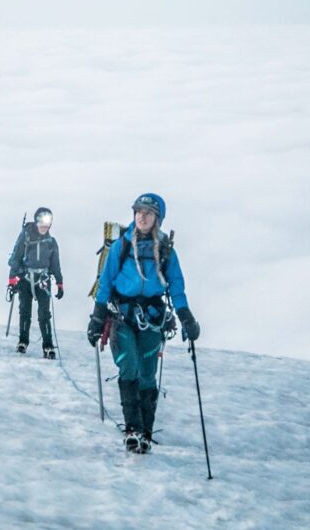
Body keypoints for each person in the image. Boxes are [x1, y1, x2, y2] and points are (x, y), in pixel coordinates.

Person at [87, 193, 200, 453]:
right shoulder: (122, 246)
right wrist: (97, 317)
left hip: (152, 318)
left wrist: (187, 318)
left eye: (148, 212)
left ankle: (145, 433)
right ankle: (133, 430)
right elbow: (106, 282)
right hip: (122, 316)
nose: (142, 216)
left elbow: (177, 287)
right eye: (139, 211)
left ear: (157, 217)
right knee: (129, 366)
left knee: (147, 374)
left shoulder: (166, 250)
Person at [7, 207, 64, 359]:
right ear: (37, 221)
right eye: (42, 222)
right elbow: (16, 258)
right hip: (25, 279)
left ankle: (48, 346)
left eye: (47, 223)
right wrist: (12, 280)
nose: (45, 226)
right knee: (25, 311)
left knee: (44, 314)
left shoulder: (51, 242)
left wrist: (59, 283)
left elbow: (55, 264)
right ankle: (22, 342)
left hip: (43, 280)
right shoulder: (25, 236)